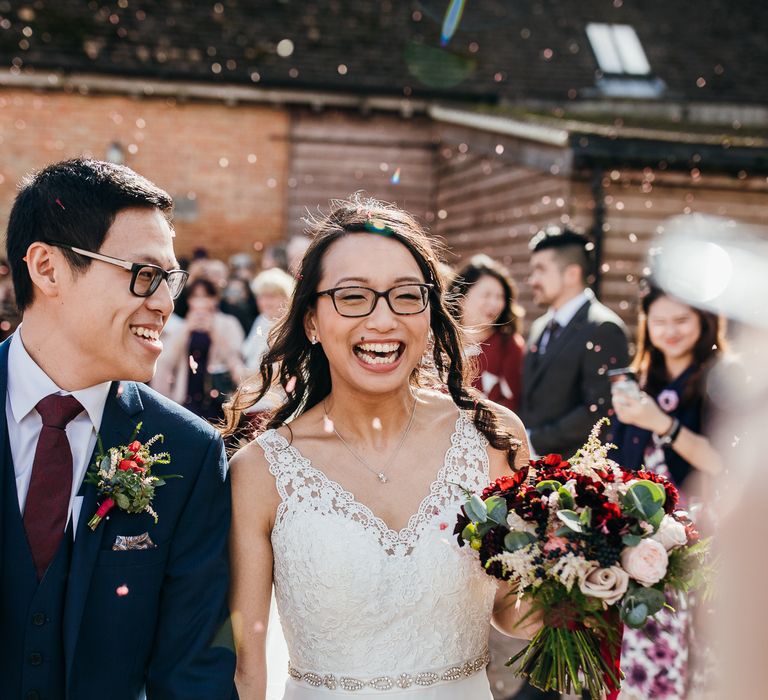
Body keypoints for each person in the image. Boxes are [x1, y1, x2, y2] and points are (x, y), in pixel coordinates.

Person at [226, 196, 539, 700]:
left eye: (406, 296)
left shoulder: (495, 438)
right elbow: (246, 665)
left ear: (430, 310)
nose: (383, 320)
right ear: (311, 321)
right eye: (353, 297)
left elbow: (512, 608)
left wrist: (587, 580)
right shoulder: (260, 471)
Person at [0, 159, 235, 699]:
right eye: (144, 275)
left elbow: (193, 671)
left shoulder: (188, 452)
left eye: (170, 280)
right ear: (48, 268)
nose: (165, 302)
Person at [608, 282, 724, 700]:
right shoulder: (638, 381)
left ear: (703, 321)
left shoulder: (720, 380)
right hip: (644, 535)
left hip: (706, 533)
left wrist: (662, 423)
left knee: (705, 644)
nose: (670, 331)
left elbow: (722, 462)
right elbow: (619, 462)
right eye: (659, 321)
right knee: (647, 640)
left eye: (681, 320)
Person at [520, 226, 629, 460]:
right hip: (531, 468)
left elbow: (600, 410)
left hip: (575, 473)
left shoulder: (604, 328)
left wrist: (534, 440)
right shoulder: (540, 326)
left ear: (571, 274)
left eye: (540, 270)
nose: (532, 280)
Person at [160, 277, 246, 422]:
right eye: (195, 296)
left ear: (214, 299)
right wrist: (187, 329)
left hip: (218, 395)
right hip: (188, 393)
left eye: (205, 296)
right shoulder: (181, 325)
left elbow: (235, 358)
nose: (200, 301)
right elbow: (167, 359)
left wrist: (213, 332)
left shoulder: (228, 323)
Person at [449, 254, 525, 412]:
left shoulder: (509, 346)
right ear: (461, 297)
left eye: (500, 297)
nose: (495, 304)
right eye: (487, 295)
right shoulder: (441, 342)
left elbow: (513, 405)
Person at [242, 267, 295, 374]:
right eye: (261, 297)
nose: (265, 302)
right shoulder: (261, 320)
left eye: (271, 296)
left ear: (287, 297)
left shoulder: (291, 325)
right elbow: (249, 351)